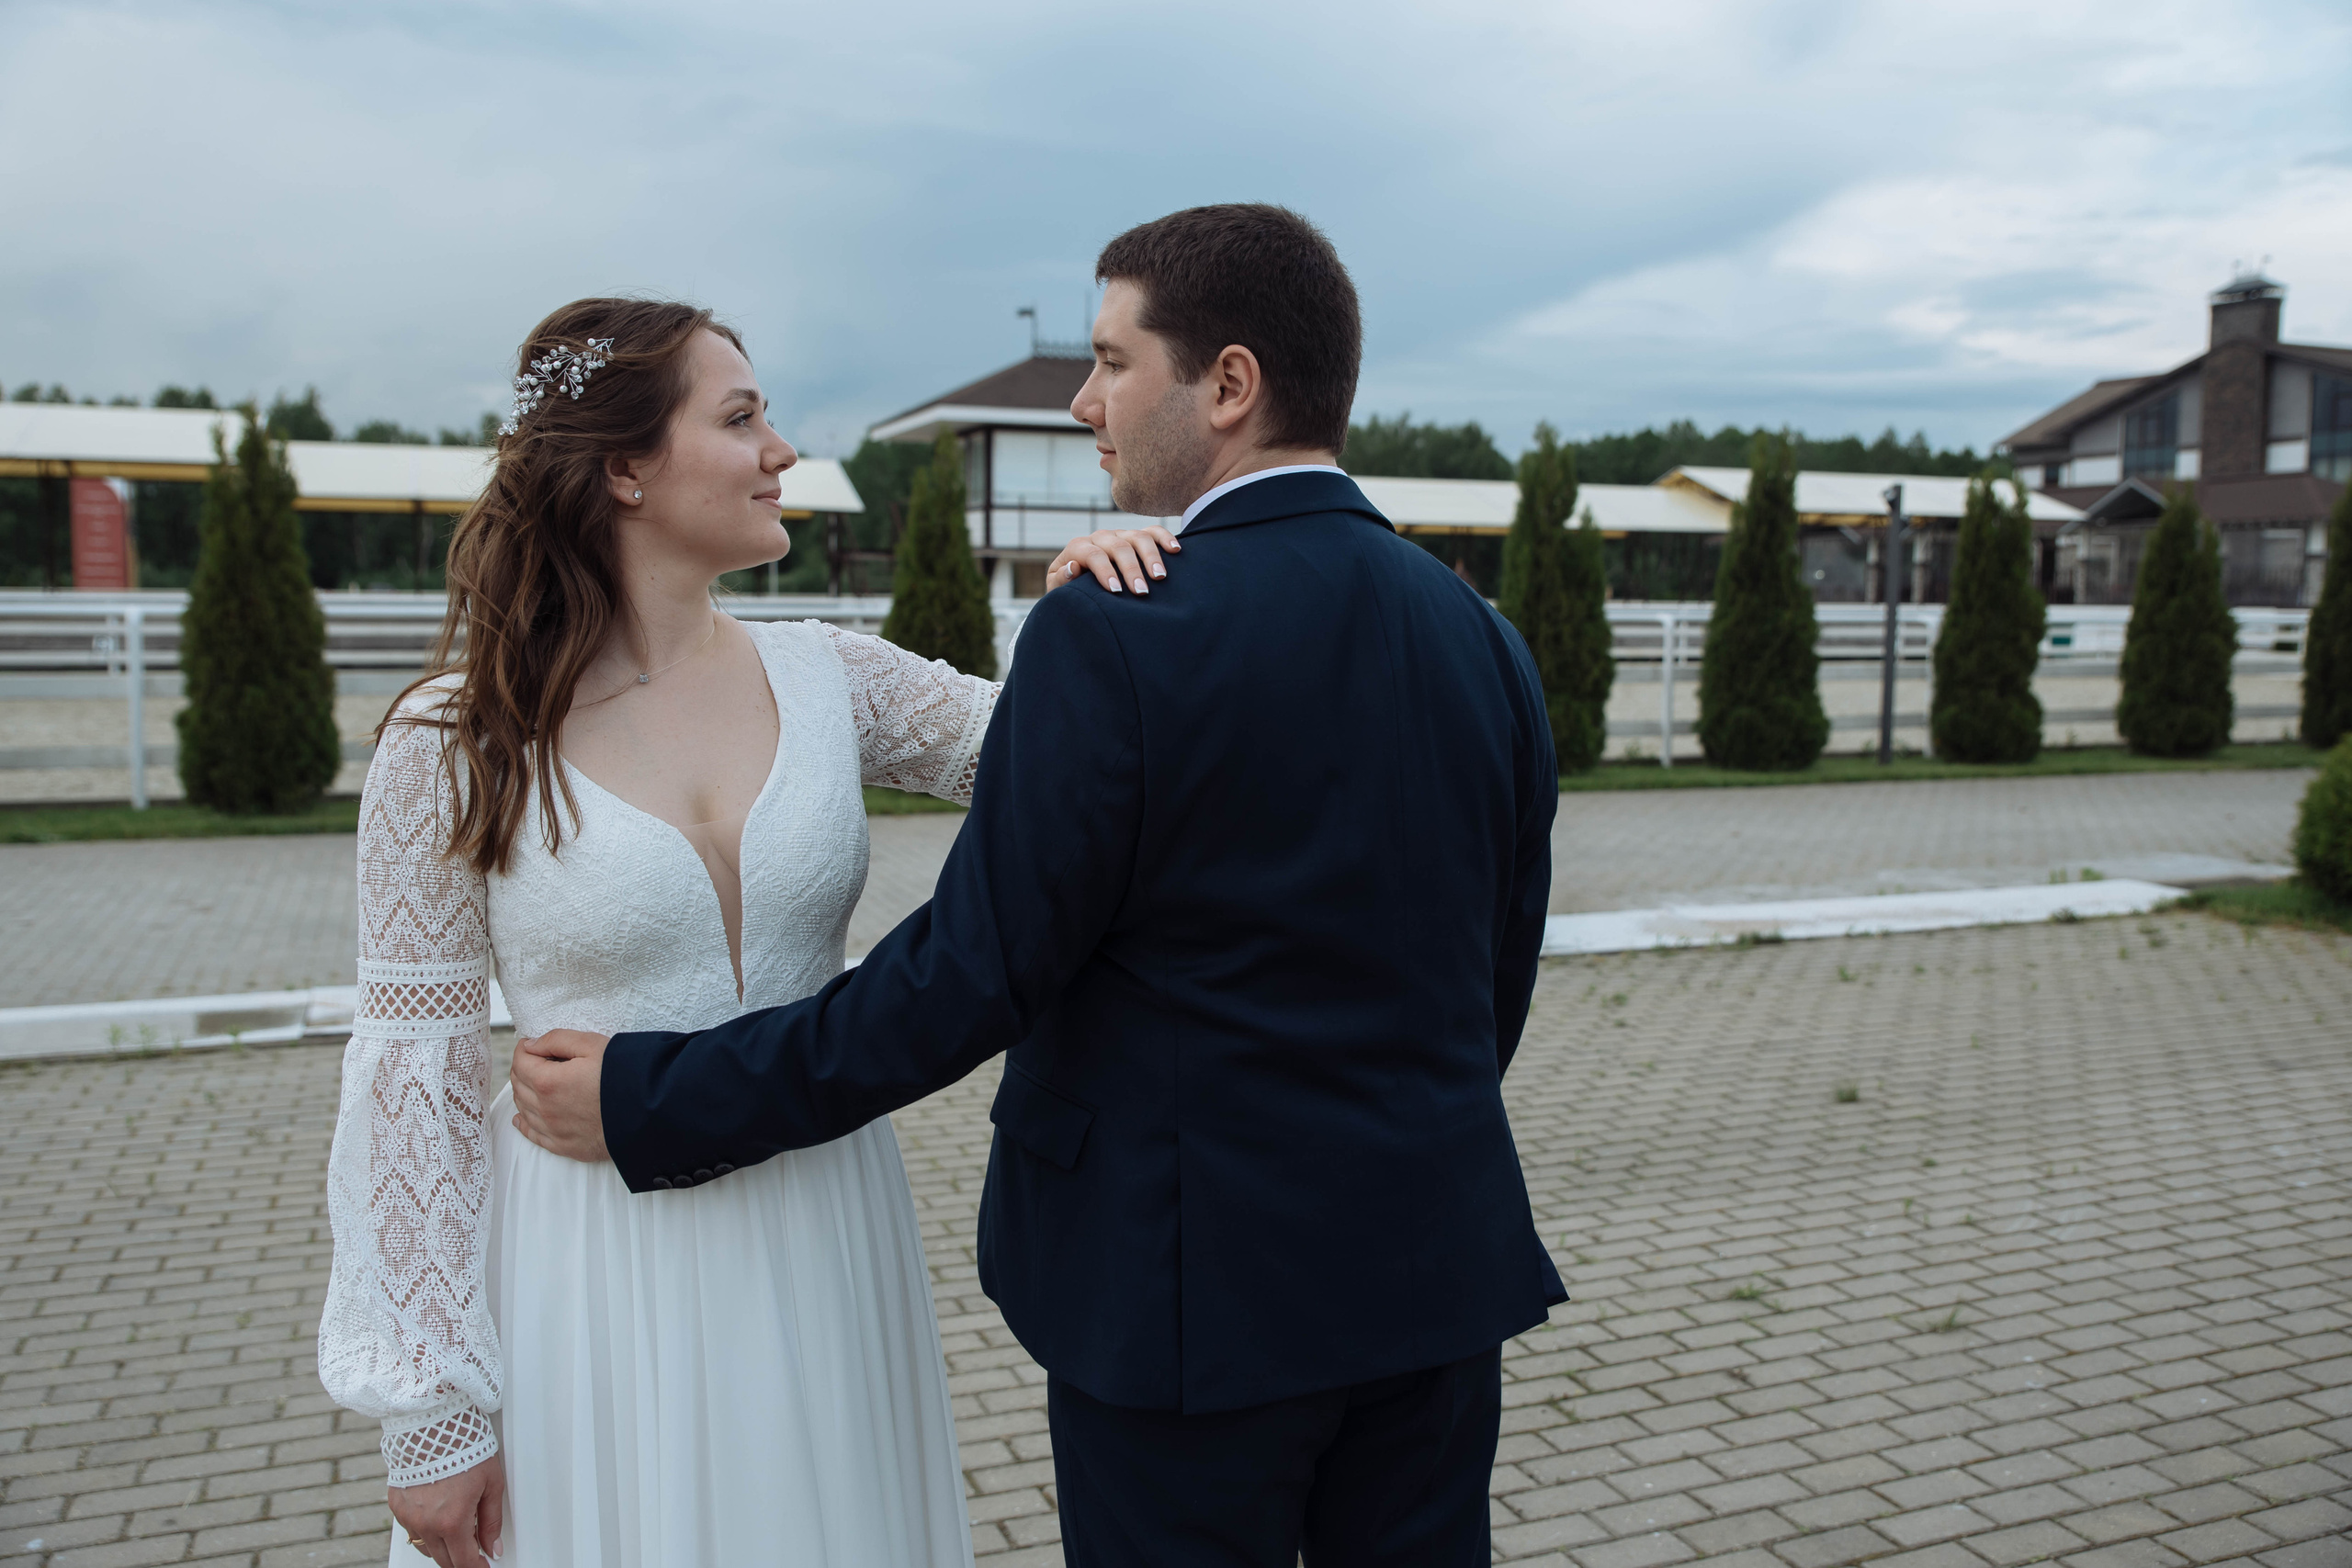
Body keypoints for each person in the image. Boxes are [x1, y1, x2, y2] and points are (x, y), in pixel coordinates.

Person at [514, 205, 1566, 1565]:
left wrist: (652, 1098)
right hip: (1434, 1281)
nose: (1083, 401)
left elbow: (963, 980)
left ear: (1229, 386)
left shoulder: (1116, 638)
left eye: (1113, 361)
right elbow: (1498, 978)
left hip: (1184, 1308)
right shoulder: (1481, 638)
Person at [315, 296, 1175, 1568]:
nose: (782, 450)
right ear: (621, 469)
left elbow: (1078, 775)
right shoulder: (452, 741)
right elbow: (414, 1086)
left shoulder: (831, 673)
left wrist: (1096, 614)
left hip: (825, 1218)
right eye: (741, 418)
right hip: (591, 1259)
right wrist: (433, 1413)